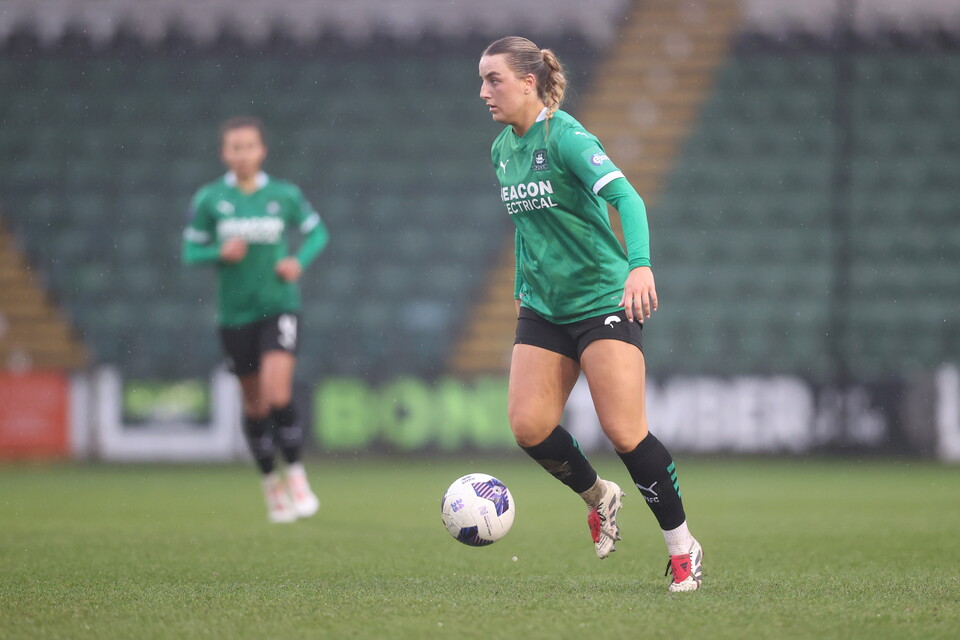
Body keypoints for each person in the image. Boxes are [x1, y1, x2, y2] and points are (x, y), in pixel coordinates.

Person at [479, 37, 703, 591]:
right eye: (482, 80)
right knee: (528, 427)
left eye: (493, 79)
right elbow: (527, 227)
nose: (484, 91)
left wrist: (640, 266)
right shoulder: (502, 148)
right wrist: (520, 284)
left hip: (602, 299)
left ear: (528, 82)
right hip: (543, 306)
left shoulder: (567, 137)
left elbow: (629, 198)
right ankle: (599, 495)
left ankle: (683, 547)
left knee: (625, 431)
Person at [182, 116, 329, 523]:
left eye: (249, 146)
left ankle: (296, 474)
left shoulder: (283, 194)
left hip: (279, 304)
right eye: (235, 147)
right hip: (235, 314)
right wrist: (218, 253)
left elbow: (318, 233)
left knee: (277, 393)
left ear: (262, 151)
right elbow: (190, 251)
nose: (243, 154)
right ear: (224, 153)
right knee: (254, 403)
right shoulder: (210, 199)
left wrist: (297, 262)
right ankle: (270, 484)